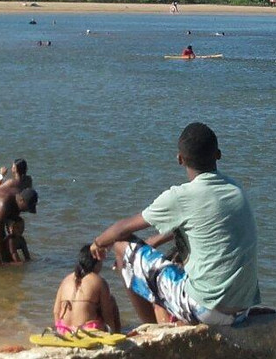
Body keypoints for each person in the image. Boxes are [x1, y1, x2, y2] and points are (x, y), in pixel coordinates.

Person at [90, 123, 259, 326]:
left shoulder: (181, 196)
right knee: (164, 264)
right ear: (218, 155)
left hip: (205, 309)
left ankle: (151, 328)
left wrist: (98, 244)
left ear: (180, 159)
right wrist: (154, 240)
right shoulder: (235, 190)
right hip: (242, 310)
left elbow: (121, 229)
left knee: (120, 247)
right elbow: (198, 224)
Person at [53, 245, 121, 335]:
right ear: (97, 262)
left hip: (64, 329)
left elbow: (56, 311)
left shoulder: (66, 280)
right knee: (111, 300)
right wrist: (111, 332)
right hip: (85, 330)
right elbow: (107, 313)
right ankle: (118, 334)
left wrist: (59, 329)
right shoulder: (99, 281)